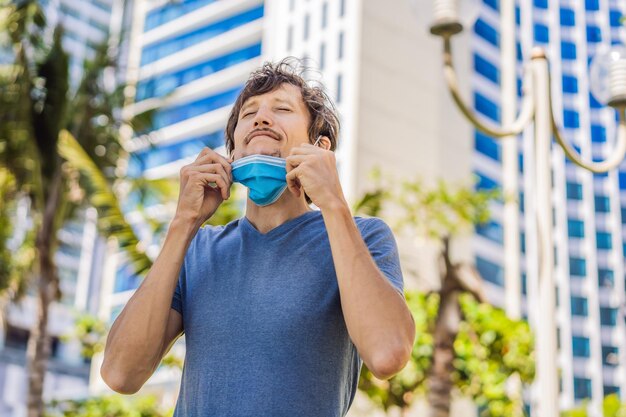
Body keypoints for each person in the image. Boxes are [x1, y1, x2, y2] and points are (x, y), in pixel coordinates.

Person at [100, 59, 416, 417]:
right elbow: (119, 373)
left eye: (281, 109)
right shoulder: (198, 249)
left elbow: (388, 353)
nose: (262, 119)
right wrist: (183, 224)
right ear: (232, 152)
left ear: (320, 146)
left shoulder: (362, 236)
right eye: (249, 114)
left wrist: (334, 203)